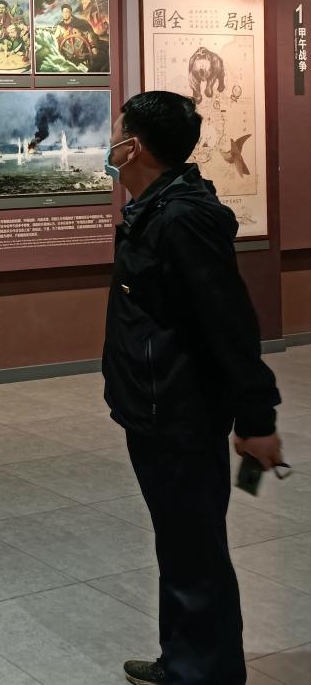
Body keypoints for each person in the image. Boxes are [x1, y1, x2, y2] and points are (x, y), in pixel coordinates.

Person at [102, 91, 284, 685]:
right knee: (179, 545)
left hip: (179, 411)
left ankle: (206, 673)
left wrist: (256, 419)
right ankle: (184, 660)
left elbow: (230, 324)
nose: (110, 143)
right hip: (154, 407)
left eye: (116, 133)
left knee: (194, 550)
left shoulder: (183, 218)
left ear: (134, 147)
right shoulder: (155, 209)